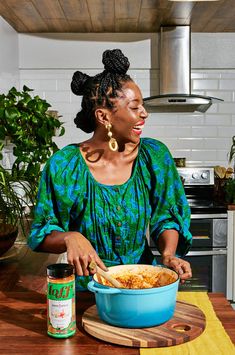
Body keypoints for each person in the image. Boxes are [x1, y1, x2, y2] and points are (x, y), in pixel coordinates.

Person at [28, 49, 192, 290]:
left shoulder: (154, 157)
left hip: (143, 282)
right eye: (135, 107)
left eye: (142, 106)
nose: (144, 113)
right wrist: (70, 237)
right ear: (103, 116)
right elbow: (42, 232)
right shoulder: (64, 165)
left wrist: (167, 255)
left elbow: (166, 217)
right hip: (88, 289)